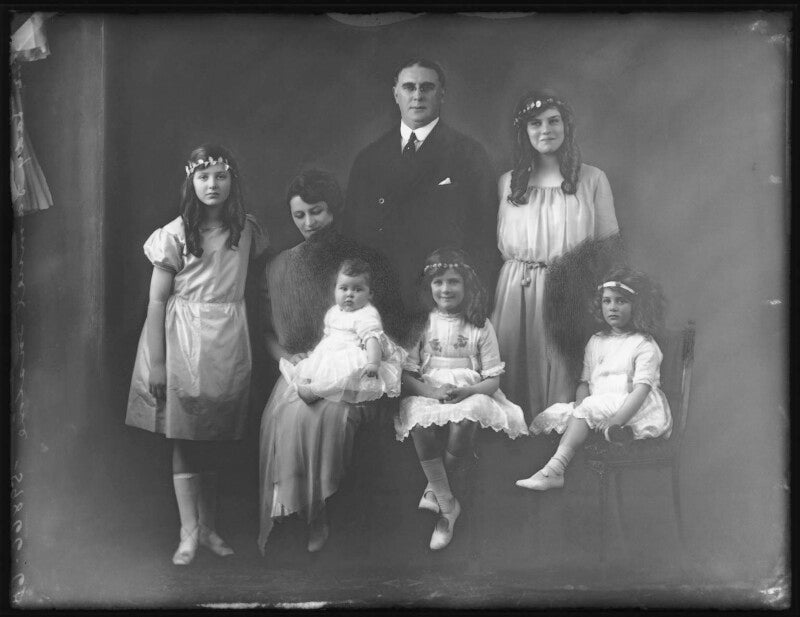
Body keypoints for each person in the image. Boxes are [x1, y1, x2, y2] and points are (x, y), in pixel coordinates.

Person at [126, 144, 268, 565]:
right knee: (186, 436)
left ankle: (208, 527)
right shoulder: (174, 234)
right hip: (182, 339)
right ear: (191, 181)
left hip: (227, 338)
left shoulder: (246, 230)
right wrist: (159, 363)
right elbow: (156, 301)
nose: (212, 184)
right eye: (203, 177)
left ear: (232, 181)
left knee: (216, 434)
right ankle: (188, 530)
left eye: (221, 176)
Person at [258, 169, 403, 554]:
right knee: (290, 413)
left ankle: (323, 508)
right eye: (300, 215)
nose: (309, 222)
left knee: (334, 417)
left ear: (333, 209)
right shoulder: (279, 267)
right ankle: (300, 515)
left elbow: (385, 327)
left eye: (317, 211)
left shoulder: (363, 261)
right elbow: (267, 332)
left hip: (357, 368)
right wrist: (289, 357)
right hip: (306, 367)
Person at [491, 89, 620, 422]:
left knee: (564, 369)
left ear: (566, 126)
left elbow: (608, 246)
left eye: (553, 121)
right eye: (535, 123)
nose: (545, 130)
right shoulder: (508, 183)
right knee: (512, 371)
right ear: (524, 131)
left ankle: (557, 437)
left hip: (570, 290)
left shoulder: (592, 179)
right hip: (516, 291)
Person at [344, 58, 500, 330]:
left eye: (427, 87)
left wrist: (475, 306)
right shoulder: (369, 158)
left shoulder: (469, 155)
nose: (417, 95)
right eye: (409, 87)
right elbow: (353, 238)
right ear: (396, 93)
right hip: (382, 305)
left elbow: (484, 239)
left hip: (444, 304)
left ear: (442, 94)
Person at [396, 248, 528, 550]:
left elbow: (493, 379)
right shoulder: (422, 323)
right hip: (429, 389)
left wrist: (467, 392)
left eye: (454, 281)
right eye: (438, 282)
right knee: (419, 423)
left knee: (465, 421)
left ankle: (436, 490)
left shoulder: (480, 324)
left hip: (471, 390)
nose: (446, 289)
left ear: (467, 285)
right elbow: (407, 375)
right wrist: (432, 392)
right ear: (428, 286)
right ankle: (448, 506)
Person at [516, 267, 672, 490]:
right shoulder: (596, 341)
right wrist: (580, 405)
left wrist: (616, 419)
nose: (612, 307)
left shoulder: (643, 344)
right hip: (599, 402)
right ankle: (611, 436)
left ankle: (555, 470)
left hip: (633, 406)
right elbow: (585, 383)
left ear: (637, 305)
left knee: (588, 410)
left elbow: (641, 391)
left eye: (621, 301)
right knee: (554, 415)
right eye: (607, 301)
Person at [279, 257, 407, 405]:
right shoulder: (334, 312)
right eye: (344, 288)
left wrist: (373, 363)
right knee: (316, 367)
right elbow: (327, 336)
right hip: (333, 351)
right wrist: (316, 354)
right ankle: (311, 382)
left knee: (344, 374)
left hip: (353, 353)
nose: (349, 294)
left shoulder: (366, 314)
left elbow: (372, 340)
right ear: (335, 289)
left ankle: (314, 392)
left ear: (369, 294)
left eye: (357, 289)